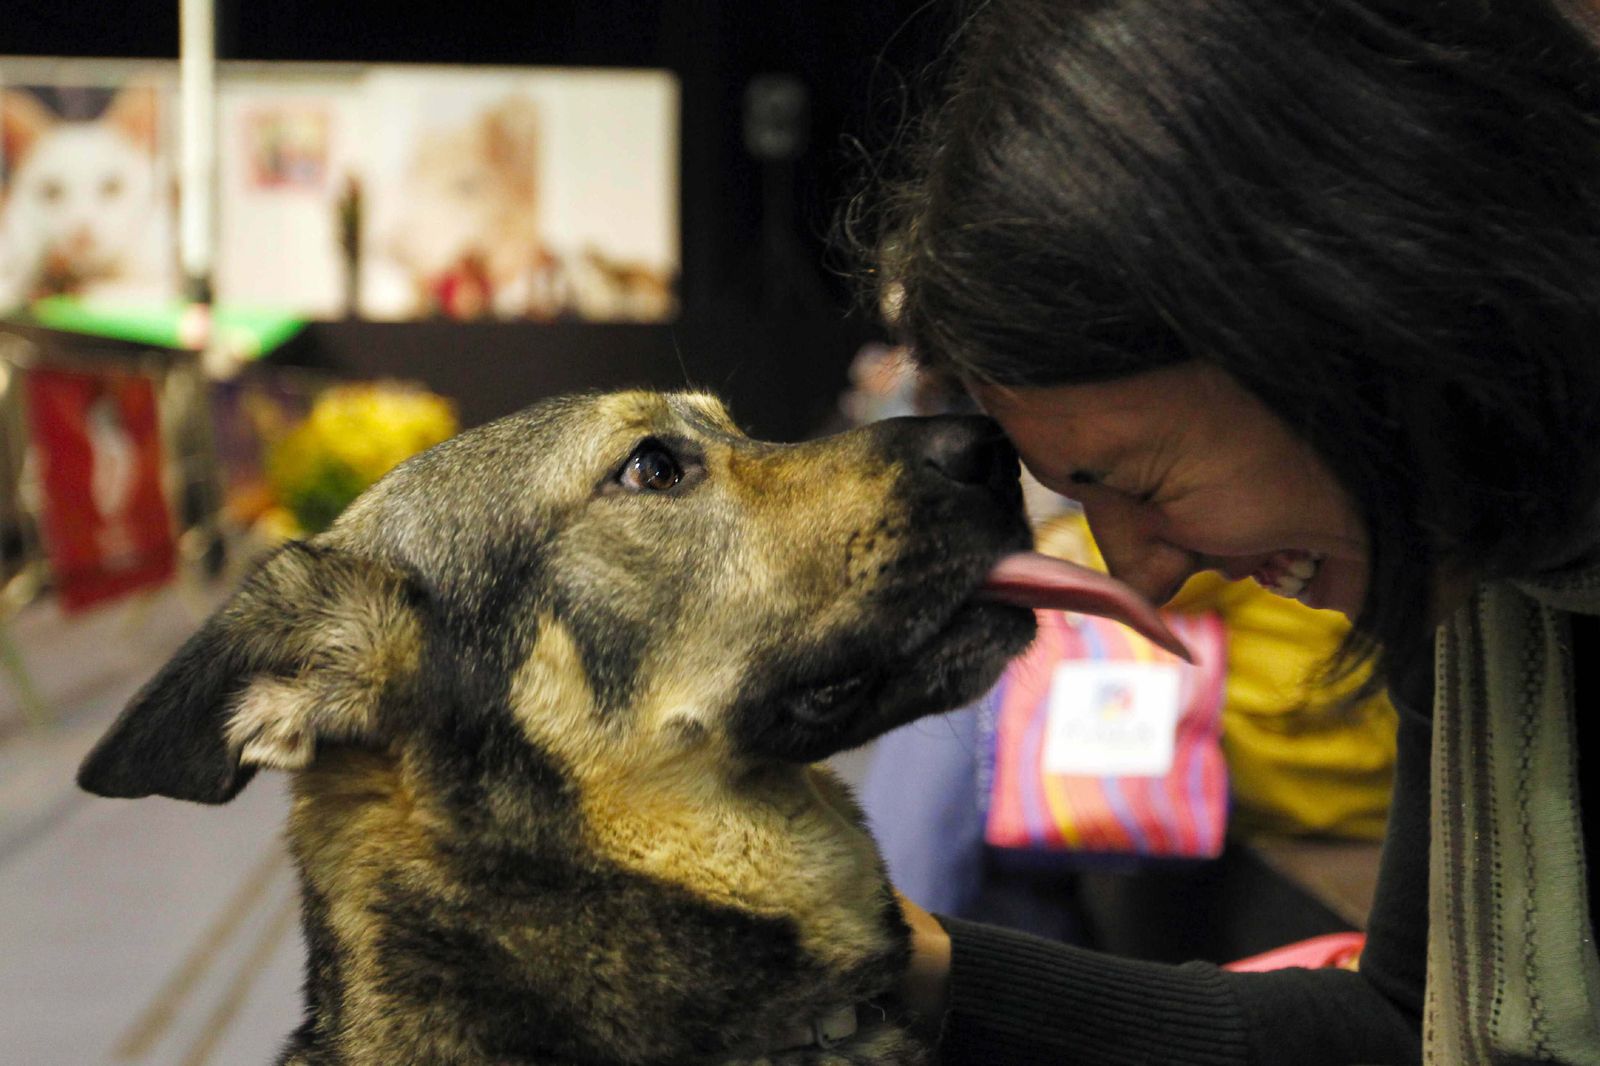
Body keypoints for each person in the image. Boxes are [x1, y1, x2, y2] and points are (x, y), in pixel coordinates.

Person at [860, 0, 1600, 1062]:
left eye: (1144, 482)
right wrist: (883, 958)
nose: (1142, 576)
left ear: (1352, 303)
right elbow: (1398, 1022)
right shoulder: (1469, 577)